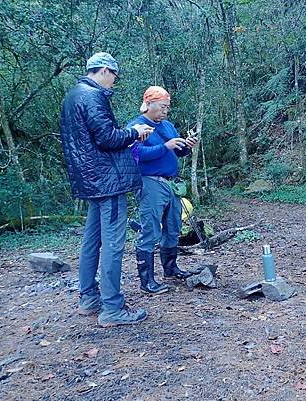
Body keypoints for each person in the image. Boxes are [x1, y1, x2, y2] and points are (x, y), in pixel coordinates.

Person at [59, 52, 155, 327]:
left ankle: (89, 298)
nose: (114, 81)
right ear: (104, 71)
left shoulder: (72, 96)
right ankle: (112, 308)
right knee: (113, 244)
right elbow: (108, 138)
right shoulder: (92, 96)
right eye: (114, 75)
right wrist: (136, 133)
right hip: (106, 179)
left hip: (90, 179)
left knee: (92, 240)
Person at [127, 86, 199, 294]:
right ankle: (147, 281)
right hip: (150, 182)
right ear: (149, 104)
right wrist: (165, 146)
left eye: (167, 107)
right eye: (162, 107)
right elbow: (136, 154)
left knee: (173, 225)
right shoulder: (136, 126)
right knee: (150, 228)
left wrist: (186, 146)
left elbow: (177, 151)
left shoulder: (167, 126)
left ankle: (171, 268)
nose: (166, 111)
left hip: (171, 183)